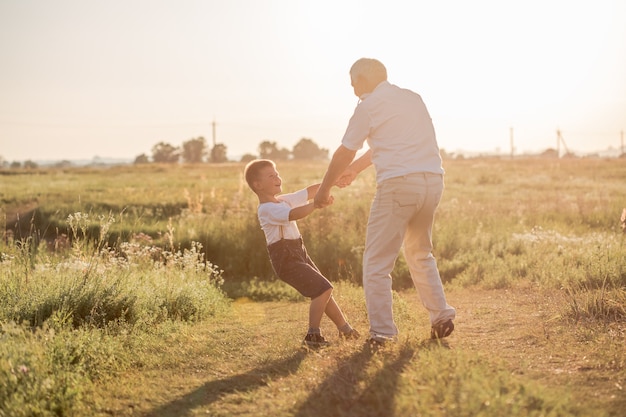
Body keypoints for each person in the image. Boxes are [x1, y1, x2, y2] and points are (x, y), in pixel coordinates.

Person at [314, 58, 456, 345]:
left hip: (398, 187)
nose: (351, 86)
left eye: (352, 81)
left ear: (363, 80)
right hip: (431, 181)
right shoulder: (412, 98)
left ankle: (383, 333)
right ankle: (441, 315)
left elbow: (345, 150)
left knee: (377, 262)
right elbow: (389, 144)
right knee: (420, 252)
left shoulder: (367, 106)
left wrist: (323, 189)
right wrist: (355, 170)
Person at [244, 159, 360, 348]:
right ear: (257, 185)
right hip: (285, 258)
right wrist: (316, 205)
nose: (278, 178)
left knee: (323, 292)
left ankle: (345, 330)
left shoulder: (283, 200)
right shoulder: (266, 209)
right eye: (271, 176)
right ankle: (312, 336)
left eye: (277, 173)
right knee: (324, 289)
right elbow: (293, 215)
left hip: (298, 251)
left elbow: (309, 191)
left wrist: (333, 182)